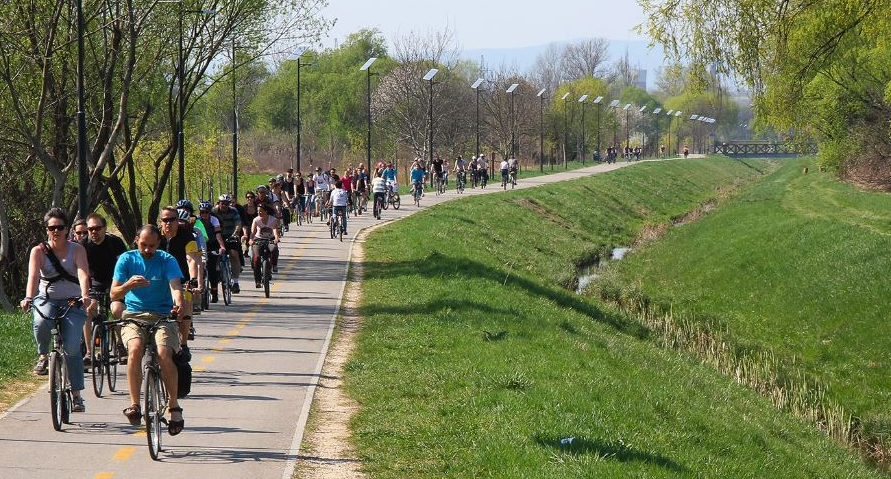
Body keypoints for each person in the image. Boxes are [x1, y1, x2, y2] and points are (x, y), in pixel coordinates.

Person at [110, 224, 185, 434]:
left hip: (162, 315)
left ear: (158, 244)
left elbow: (175, 286)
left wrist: (177, 303)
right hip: (134, 315)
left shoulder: (167, 260)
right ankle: (135, 404)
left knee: (163, 353)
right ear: (136, 240)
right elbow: (113, 295)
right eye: (143, 245)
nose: (147, 250)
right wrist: (128, 286)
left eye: (152, 246)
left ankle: (173, 405)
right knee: (135, 349)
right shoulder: (126, 259)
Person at [21, 208, 93, 413]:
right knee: (41, 322)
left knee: (71, 347)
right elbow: (33, 277)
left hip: (73, 301)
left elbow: (82, 273)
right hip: (48, 299)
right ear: (46, 230)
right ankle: (43, 355)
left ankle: (77, 395)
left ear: (67, 229)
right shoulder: (39, 251)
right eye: (51, 228)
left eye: (60, 227)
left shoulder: (77, 250)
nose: (56, 231)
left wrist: (85, 295)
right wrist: (28, 297)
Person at [81, 213, 128, 364]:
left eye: (97, 228)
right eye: (90, 229)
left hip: (115, 283)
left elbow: (125, 265)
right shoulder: (83, 245)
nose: (94, 232)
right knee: (89, 310)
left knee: (117, 310)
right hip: (94, 283)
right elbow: (80, 270)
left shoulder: (115, 242)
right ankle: (89, 352)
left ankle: (120, 344)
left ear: (105, 228)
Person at [158, 206, 201, 353]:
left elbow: (192, 259)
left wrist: (194, 279)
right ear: (160, 221)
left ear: (178, 221)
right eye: (165, 220)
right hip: (158, 279)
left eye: (172, 219)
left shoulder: (187, 236)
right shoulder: (155, 235)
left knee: (186, 300)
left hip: (181, 278)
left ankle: (183, 344)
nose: (168, 223)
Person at [211, 194, 243, 294]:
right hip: (217, 236)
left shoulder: (233, 210)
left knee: (234, 254)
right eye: (222, 203)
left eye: (226, 204)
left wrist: (236, 233)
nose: (224, 205)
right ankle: (217, 273)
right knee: (214, 256)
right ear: (218, 203)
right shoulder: (213, 212)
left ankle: (235, 282)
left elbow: (238, 223)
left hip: (230, 236)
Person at [197, 202, 226, 303]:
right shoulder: (196, 220)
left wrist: (222, 246)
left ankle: (214, 292)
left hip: (212, 244)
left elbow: (218, 235)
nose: (204, 214)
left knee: (212, 267)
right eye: (202, 212)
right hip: (199, 245)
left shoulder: (214, 220)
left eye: (206, 212)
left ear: (210, 213)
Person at [250, 204, 280, 282]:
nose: (259, 213)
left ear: (266, 211)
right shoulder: (256, 220)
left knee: (274, 249)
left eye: (260, 211)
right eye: (257, 211)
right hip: (258, 239)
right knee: (256, 259)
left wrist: (276, 238)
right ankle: (258, 281)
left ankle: (274, 265)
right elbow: (253, 232)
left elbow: (275, 230)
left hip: (270, 239)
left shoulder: (273, 219)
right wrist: (251, 239)